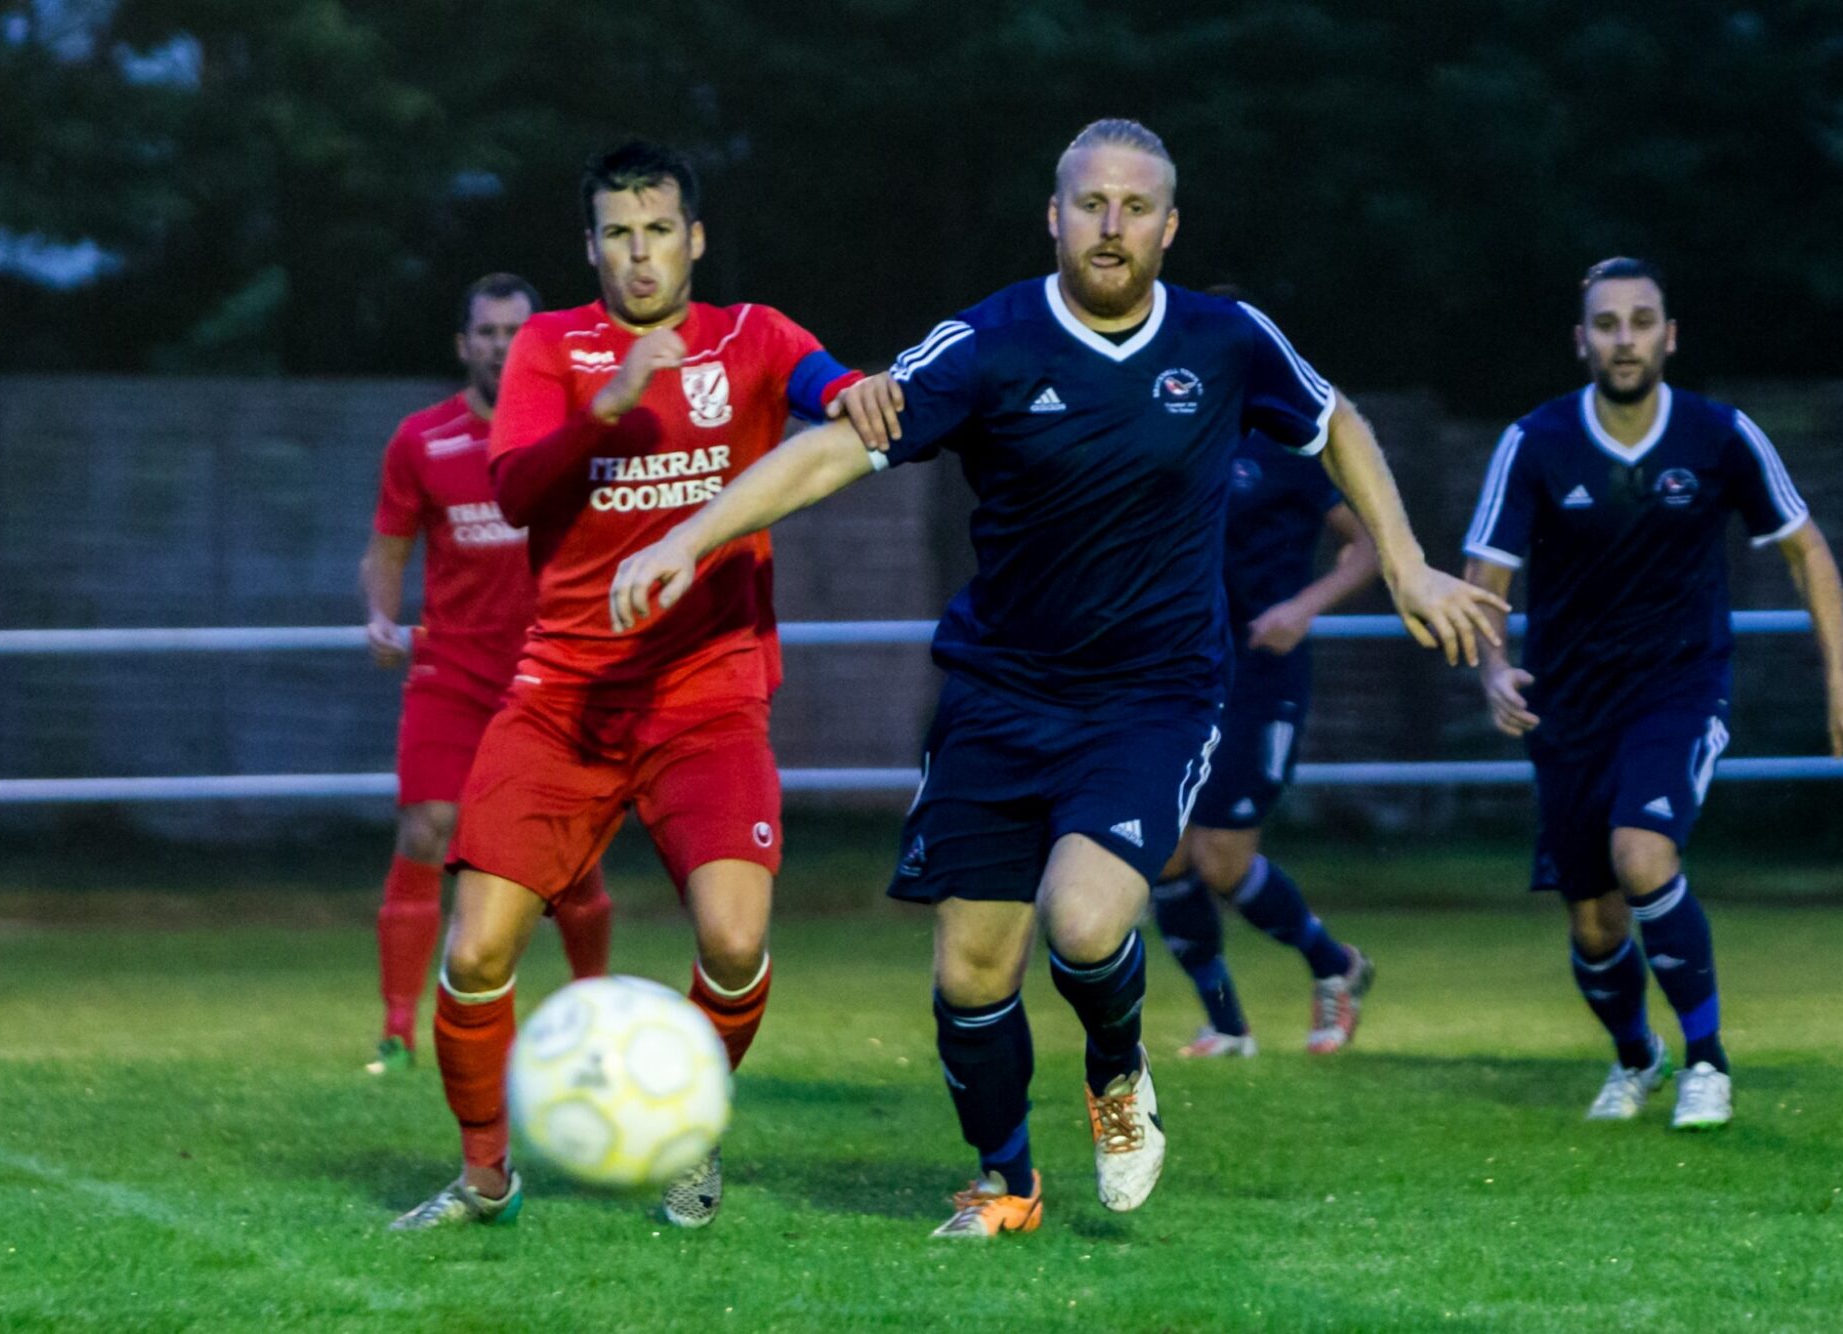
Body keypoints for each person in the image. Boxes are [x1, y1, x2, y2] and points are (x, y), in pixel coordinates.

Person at [610, 118, 1506, 1238]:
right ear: (1053, 216)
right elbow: (837, 446)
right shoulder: (987, 342)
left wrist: (1410, 561)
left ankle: (1118, 1075)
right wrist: (684, 538)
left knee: (1083, 922)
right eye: (1090, 203)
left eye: (1136, 208)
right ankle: (1005, 1184)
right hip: (997, 692)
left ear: (1168, 228)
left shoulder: (1225, 339)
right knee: (972, 970)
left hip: (1152, 694)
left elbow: (1337, 426)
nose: (1111, 226)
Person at [391, 143, 889, 1232]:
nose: (639, 252)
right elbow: (516, 492)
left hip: (707, 693)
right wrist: (605, 408)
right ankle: (484, 1177)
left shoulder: (751, 334)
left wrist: (866, 393)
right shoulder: (547, 344)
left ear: (693, 238)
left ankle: (689, 1139)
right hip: (562, 696)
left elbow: (832, 388)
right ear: (590, 247)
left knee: (731, 940)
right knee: (474, 948)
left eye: (658, 228)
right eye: (618, 233)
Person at [1462, 256, 1843, 1131]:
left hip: (1679, 687)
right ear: (1582, 340)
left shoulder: (1720, 435)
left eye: (1642, 321)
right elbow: (1484, 581)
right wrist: (1495, 668)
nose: (1626, 339)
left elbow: (1809, 551)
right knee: (1594, 927)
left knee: (1643, 853)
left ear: (1670, 335)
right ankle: (1635, 1059)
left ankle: (1708, 1062)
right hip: (1570, 704)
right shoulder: (1535, 442)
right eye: (1608, 324)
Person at [361, 273, 612, 1078]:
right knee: (426, 830)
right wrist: (379, 612)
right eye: (488, 333)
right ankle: (399, 1027)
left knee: (570, 865)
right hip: (452, 673)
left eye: (516, 331)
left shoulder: (575, 432)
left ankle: (594, 1011)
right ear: (464, 344)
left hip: (555, 673)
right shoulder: (421, 440)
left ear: (539, 340)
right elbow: (390, 542)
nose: (502, 346)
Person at [1149, 422, 1380, 1059]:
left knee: (1222, 859)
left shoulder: (1288, 448)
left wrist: (1303, 608)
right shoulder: (1179, 437)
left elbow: (1370, 545)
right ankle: (1226, 1024)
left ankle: (1337, 966)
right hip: (1181, 673)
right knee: (1163, 852)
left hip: (1261, 674)